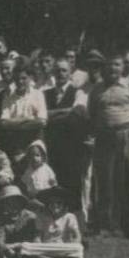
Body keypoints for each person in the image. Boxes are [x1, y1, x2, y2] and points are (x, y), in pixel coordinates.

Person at [87, 54, 129, 239]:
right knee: (104, 182)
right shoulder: (97, 89)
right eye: (109, 65)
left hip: (128, 135)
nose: (113, 68)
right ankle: (105, 227)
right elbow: (92, 113)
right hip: (104, 138)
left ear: (123, 67)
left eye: (117, 64)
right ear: (104, 68)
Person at [43, 58, 86, 193]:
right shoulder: (45, 94)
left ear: (70, 73)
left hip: (71, 147)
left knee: (70, 187)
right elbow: (41, 116)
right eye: (57, 70)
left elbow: (77, 113)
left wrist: (50, 114)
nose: (60, 73)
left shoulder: (78, 92)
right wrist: (66, 111)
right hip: (51, 146)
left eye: (64, 70)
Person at [18, 186, 84, 258]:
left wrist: (75, 242)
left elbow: (77, 235)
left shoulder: (69, 216)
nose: (55, 205)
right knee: (25, 246)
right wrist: (37, 243)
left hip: (62, 247)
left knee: (78, 247)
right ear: (48, 204)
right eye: (52, 203)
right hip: (45, 246)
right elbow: (37, 235)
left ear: (64, 205)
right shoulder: (41, 216)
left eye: (59, 203)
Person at [0, 67, 47, 165]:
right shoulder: (9, 97)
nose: (20, 82)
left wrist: (14, 123)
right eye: (17, 79)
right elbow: (3, 123)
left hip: (34, 144)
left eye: (23, 78)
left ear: (30, 78)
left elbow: (42, 122)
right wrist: (29, 119)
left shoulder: (38, 94)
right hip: (16, 145)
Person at [0, 185, 38, 258]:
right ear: (3, 206)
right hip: (10, 250)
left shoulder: (30, 217)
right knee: (0, 254)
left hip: (29, 248)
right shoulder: (2, 221)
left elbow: (35, 237)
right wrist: (11, 249)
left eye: (15, 203)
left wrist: (22, 245)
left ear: (21, 203)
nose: (12, 207)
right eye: (8, 204)